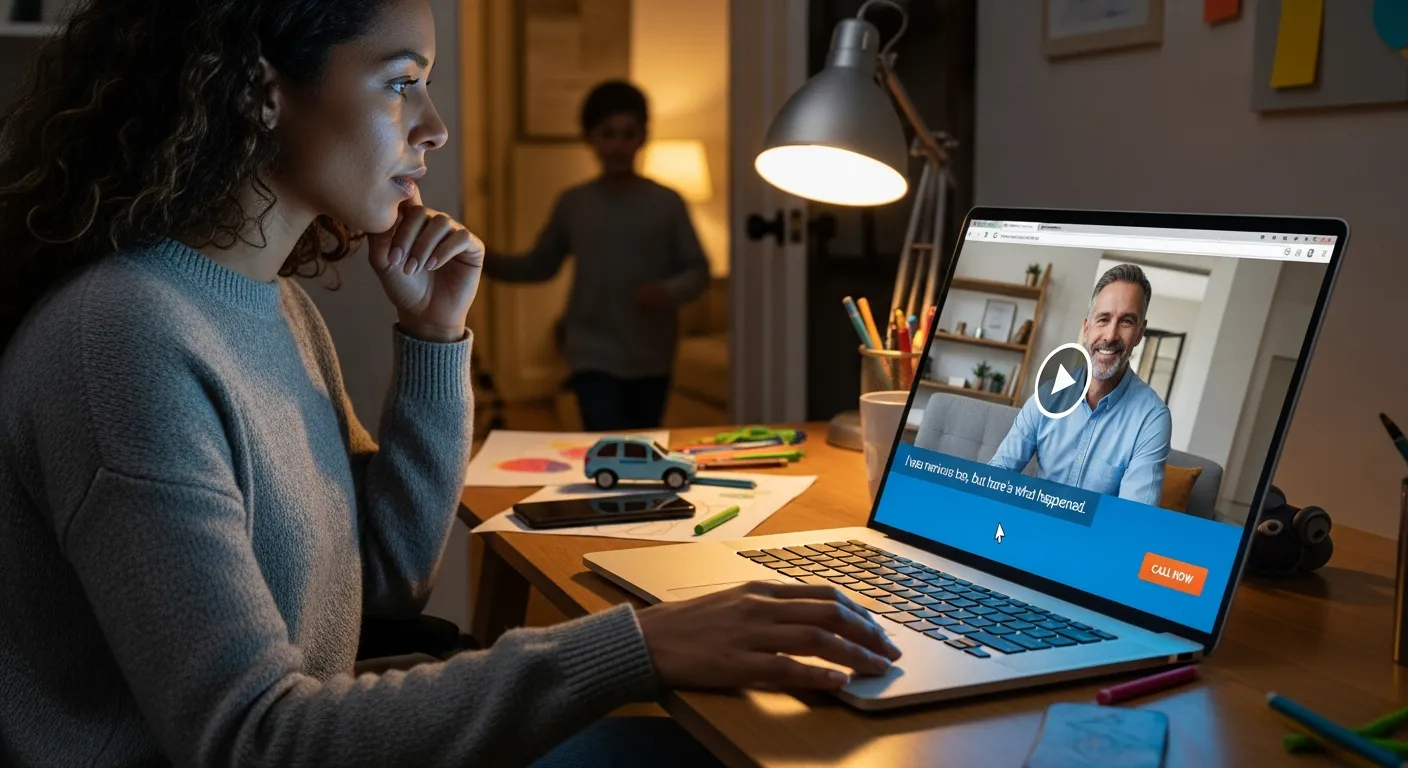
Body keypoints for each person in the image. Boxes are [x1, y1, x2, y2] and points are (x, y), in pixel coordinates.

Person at [0, 2, 900, 766]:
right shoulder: (120, 341)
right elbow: (254, 737)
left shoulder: (273, 309)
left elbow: (386, 585)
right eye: (401, 81)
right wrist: (637, 647)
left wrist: (434, 339)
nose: (433, 125)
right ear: (257, 90)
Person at [483, 81, 710, 432]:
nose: (618, 145)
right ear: (590, 137)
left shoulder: (667, 203)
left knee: (643, 445)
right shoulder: (574, 203)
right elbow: (541, 264)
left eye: (628, 134)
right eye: (608, 133)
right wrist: (483, 259)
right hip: (591, 352)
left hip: (652, 354)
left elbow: (697, 269)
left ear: (642, 138)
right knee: (604, 443)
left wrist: (668, 291)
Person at [988, 264, 1172, 506]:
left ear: (1140, 333)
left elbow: (1132, 522)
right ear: (1087, 328)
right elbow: (997, 473)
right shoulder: (1048, 396)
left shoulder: (1152, 418)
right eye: (1103, 319)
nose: (1110, 335)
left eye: (1126, 321)